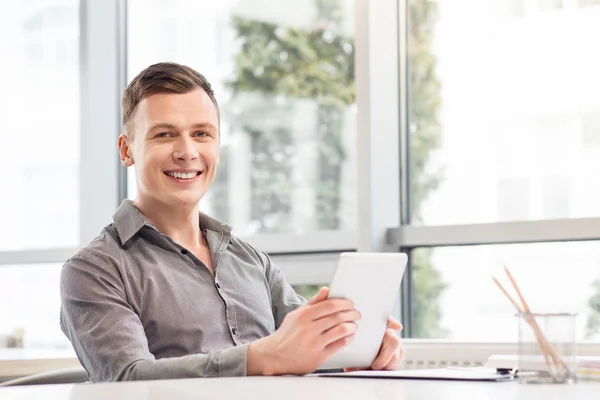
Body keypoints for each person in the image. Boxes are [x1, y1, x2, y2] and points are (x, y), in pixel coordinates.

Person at [60, 62, 404, 382]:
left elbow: (300, 351)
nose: (187, 151)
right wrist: (260, 359)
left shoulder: (251, 261)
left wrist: (357, 349)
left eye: (202, 134)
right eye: (164, 135)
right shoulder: (94, 271)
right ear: (126, 150)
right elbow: (126, 380)